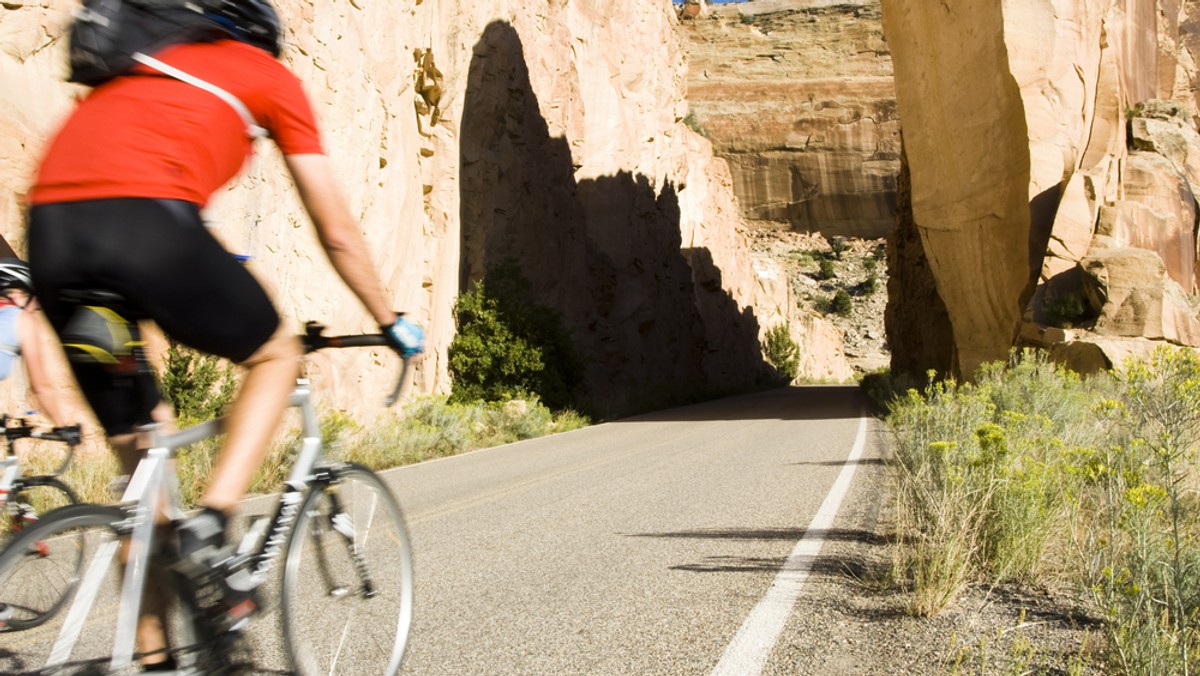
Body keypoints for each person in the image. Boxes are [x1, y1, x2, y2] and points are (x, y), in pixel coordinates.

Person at [24, 0, 423, 668]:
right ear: (263, 38)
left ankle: (156, 660)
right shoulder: (263, 75)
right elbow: (336, 230)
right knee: (275, 352)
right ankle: (211, 523)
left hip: (54, 241)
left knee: (145, 476)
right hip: (142, 222)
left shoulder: (134, 70)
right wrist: (388, 319)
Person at [0, 258, 75, 434]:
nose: (37, 307)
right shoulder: (22, 319)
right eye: (34, 298)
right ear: (16, 294)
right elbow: (41, 386)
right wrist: (62, 426)